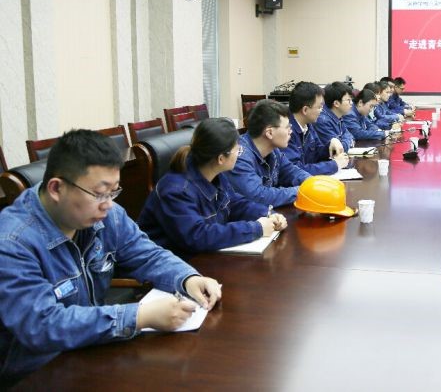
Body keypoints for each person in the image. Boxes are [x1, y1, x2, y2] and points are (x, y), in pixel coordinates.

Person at [0, 130, 222, 381]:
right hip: (36, 373)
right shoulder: (12, 243)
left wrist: (188, 278)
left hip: (89, 351)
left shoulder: (107, 215)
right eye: (99, 193)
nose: (108, 204)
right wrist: (139, 316)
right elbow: (42, 326)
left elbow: (147, 254)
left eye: (113, 192)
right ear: (56, 188)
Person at [138, 118, 287, 255]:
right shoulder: (175, 190)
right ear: (221, 158)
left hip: (203, 258)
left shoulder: (214, 173)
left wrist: (268, 214)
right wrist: (256, 228)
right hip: (171, 264)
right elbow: (198, 236)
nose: (239, 154)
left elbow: (234, 203)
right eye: (238, 150)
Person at [229, 99, 311, 207]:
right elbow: (258, 196)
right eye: (287, 127)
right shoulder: (239, 157)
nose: (290, 131)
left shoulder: (273, 150)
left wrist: (314, 183)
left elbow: (291, 171)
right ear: (269, 133)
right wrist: (302, 191)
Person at [285, 81, 349, 175]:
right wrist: (335, 165)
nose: (321, 111)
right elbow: (296, 171)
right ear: (305, 110)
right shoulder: (286, 131)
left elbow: (317, 153)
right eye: (319, 107)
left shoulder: (308, 125)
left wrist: (331, 145)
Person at [316, 81, 356, 151]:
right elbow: (338, 148)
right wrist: (348, 141)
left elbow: (350, 136)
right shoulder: (323, 121)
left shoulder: (339, 117)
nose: (351, 103)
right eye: (348, 100)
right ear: (336, 103)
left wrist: (346, 140)